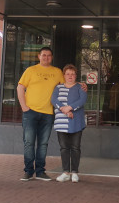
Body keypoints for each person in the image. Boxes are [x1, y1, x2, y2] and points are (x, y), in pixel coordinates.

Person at [17, 47, 66, 181]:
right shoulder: (30, 70)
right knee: (29, 143)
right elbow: (20, 87)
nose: (46, 57)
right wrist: (24, 107)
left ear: (52, 57)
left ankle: (40, 171)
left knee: (43, 144)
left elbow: (66, 87)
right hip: (30, 112)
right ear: (39, 56)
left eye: (49, 55)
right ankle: (28, 171)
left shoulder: (57, 72)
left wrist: (80, 85)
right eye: (44, 55)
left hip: (48, 113)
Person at [50, 64, 88, 183]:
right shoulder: (58, 87)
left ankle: (75, 172)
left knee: (75, 147)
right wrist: (64, 109)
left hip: (76, 122)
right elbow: (54, 100)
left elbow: (82, 100)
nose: (70, 76)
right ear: (64, 75)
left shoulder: (80, 87)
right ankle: (66, 172)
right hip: (61, 122)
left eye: (72, 74)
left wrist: (70, 107)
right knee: (64, 148)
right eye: (68, 74)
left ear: (76, 75)